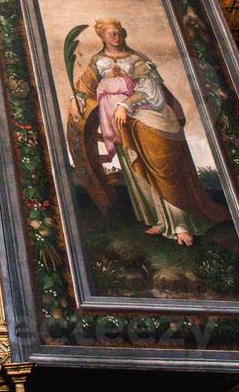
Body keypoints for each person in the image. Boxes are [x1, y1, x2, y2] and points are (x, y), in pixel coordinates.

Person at [71, 19, 227, 245]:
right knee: (138, 168)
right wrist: (76, 99)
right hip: (118, 121)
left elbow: (150, 88)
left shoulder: (137, 59)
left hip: (147, 114)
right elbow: (84, 87)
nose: (117, 37)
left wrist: (126, 105)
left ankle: (181, 223)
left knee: (164, 165)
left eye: (119, 33)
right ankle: (162, 220)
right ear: (103, 37)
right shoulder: (98, 61)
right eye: (112, 34)